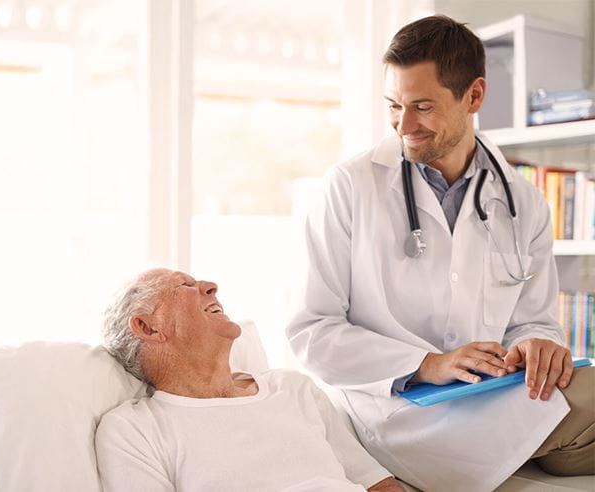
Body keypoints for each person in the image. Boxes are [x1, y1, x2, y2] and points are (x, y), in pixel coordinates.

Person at [286, 14, 594, 492]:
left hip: (492, 397)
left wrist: (536, 343)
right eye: (394, 105)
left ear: (474, 96)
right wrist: (427, 363)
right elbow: (312, 331)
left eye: (422, 106)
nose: (403, 125)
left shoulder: (523, 200)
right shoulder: (350, 187)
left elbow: (535, 320)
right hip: (394, 412)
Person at [95, 268, 405, 492]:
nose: (211, 286)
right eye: (184, 285)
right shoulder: (135, 431)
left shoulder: (293, 389)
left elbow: (378, 483)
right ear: (148, 328)